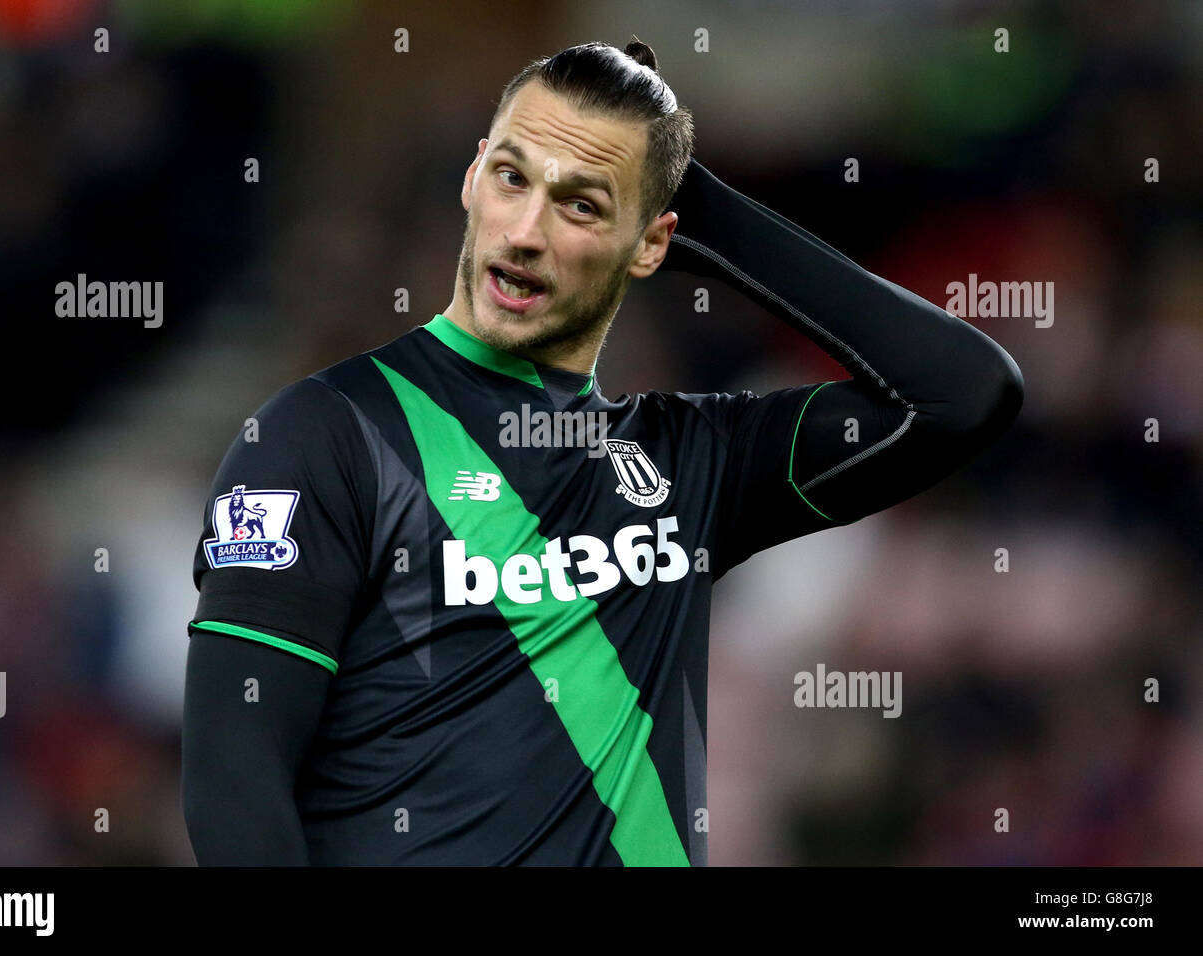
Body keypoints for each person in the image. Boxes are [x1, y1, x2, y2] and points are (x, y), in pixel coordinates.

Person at [181, 39, 1023, 866]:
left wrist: (712, 217)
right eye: (513, 177)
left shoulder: (694, 458)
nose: (527, 231)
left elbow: (962, 394)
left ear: (653, 244)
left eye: (583, 204)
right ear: (474, 178)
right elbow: (234, 778)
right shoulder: (322, 435)